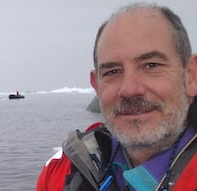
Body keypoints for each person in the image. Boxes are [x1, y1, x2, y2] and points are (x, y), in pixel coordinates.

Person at [36, 3, 197, 191]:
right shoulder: (61, 174)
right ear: (96, 85)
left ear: (191, 76)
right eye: (112, 71)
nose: (129, 90)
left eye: (151, 65)